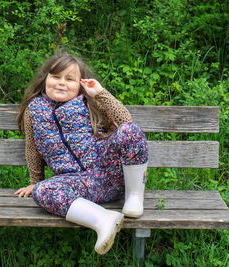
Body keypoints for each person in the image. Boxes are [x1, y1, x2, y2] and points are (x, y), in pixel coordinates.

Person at [15, 52, 148, 254]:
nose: (61, 83)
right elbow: (32, 148)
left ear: (80, 84)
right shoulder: (33, 111)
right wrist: (35, 181)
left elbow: (125, 120)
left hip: (110, 174)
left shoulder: (87, 103)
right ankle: (103, 219)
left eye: (70, 79)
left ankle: (134, 198)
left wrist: (100, 93)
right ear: (45, 79)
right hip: (78, 185)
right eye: (56, 77)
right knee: (43, 191)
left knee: (130, 130)